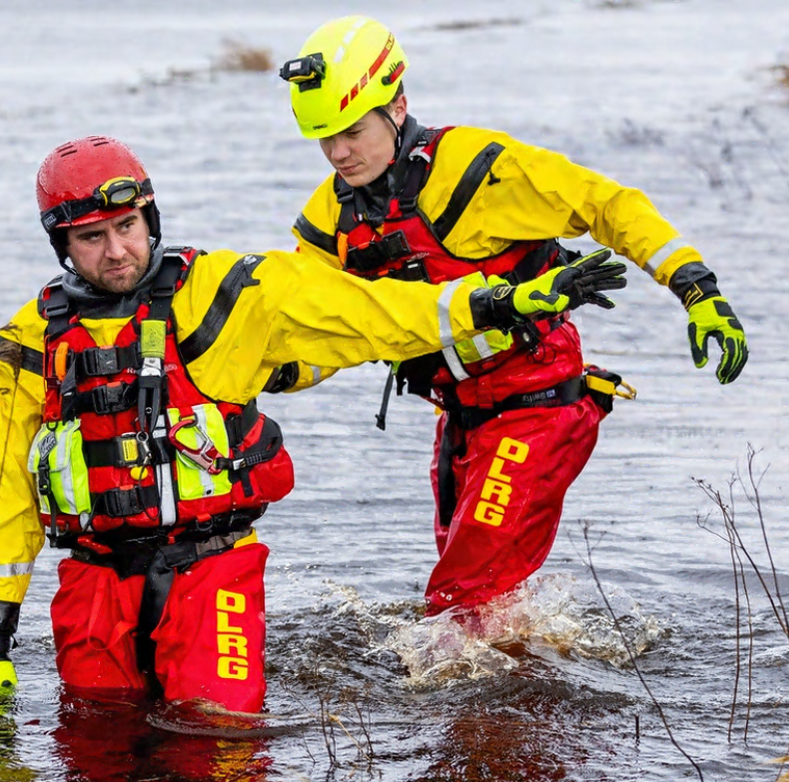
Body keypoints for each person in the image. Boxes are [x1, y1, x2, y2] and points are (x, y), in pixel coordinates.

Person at [0, 135, 627, 715]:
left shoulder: (224, 292)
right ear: (62, 244)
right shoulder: (27, 342)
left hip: (211, 574)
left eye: (128, 226)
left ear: (150, 218)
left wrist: (496, 302)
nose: (118, 251)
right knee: (94, 743)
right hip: (92, 584)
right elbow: (6, 495)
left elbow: (367, 311)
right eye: (92, 238)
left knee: (220, 743)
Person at [277, 16, 753, 617]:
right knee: (486, 607)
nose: (338, 153)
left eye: (352, 132)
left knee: (458, 602)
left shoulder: (479, 172)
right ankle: (537, 666)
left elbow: (607, 204)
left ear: (397, 106)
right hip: (458, 419)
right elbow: (323, 329)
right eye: (323, 137)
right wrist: (274, 375)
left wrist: (695, 287)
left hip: (537, 405)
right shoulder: (329, 220)